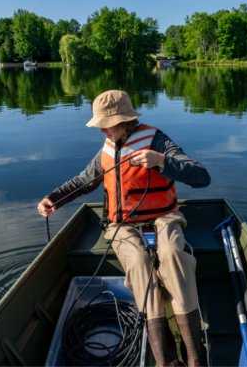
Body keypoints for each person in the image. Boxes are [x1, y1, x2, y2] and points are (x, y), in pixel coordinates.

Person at [37, 89, 211, 366]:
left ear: (126, 120)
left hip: (164, 217)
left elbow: (202, 177)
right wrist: (53, 199)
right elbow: (83, 181)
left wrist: (162, 162)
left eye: (108, 124)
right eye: (101, 125)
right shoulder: (106, 149)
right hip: (122, 224)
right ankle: (166, 361)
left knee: (172, 256)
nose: (103, 130)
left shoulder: (157, 140)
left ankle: (195, 357)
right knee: (140, 262)